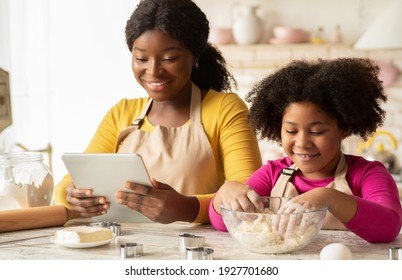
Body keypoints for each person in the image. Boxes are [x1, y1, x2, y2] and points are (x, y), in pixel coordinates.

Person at [54, 0, 262, 224]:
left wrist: (188, 208)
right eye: (141, 58)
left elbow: (248, 196)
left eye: (169, 59)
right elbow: (72, 180)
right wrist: (71, 195)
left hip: (197, 251)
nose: (153, 71)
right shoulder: (121, 113)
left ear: (195, 56)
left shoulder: (224, 109)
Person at [209, 58, 402, 243]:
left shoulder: (368, 174)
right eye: (291, 131)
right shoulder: (272, 174)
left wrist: (328, 197)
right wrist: (225, 193)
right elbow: (223, 223)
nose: (302, 142)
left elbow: (389, 228)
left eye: (317, 131)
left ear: (344, 129)